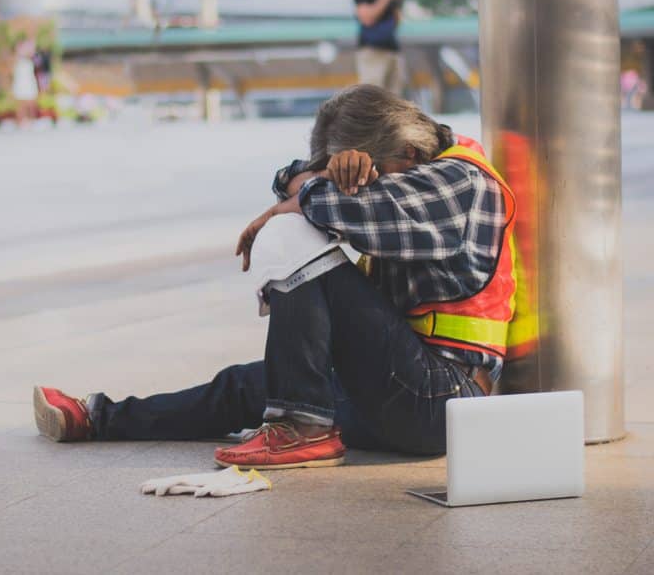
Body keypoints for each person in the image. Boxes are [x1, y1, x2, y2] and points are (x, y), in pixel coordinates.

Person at [33, 84, 517, 468]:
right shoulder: (414, 165)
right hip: (401, 390)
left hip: (443, 400)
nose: (366, 186)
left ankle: (301, 430)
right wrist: (314, 179)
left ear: (409, 155)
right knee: (244, 387)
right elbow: (299, 179)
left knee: (290, 232)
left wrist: (295, 199)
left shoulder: (458, 184)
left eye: (372, 176)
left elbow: (331, 207)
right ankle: (98, 417)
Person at [353, 0, 408, 95]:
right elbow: (367, 18)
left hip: (392, 49)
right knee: (372, 98)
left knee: (395, 100)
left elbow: (397, 21)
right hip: (372, 49)